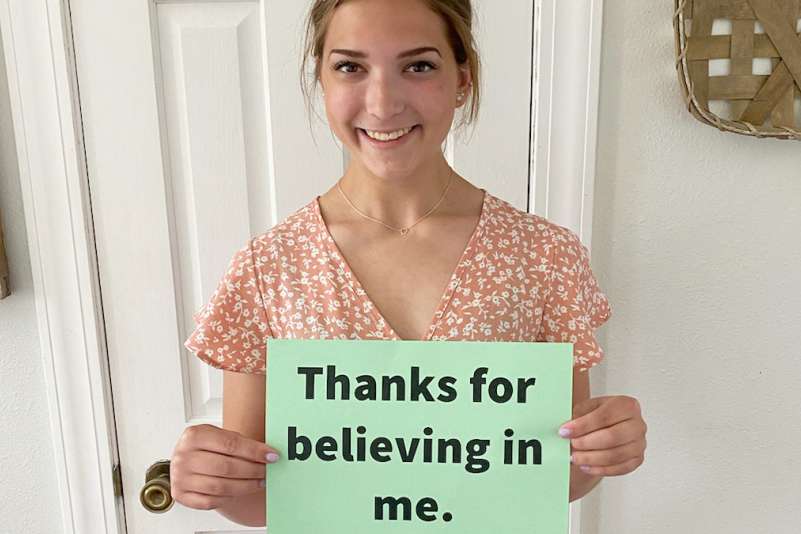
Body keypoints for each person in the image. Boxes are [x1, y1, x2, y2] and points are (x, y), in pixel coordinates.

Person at [170, 0, 647, 527]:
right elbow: (263, 499)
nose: (382, 103)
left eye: (418, 66)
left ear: (462, 79)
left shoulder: (543, 257)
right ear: (321, 80)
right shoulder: (269, 269)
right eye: (350, 67)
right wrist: (211, 480)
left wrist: (600, 453)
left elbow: (549, 477)